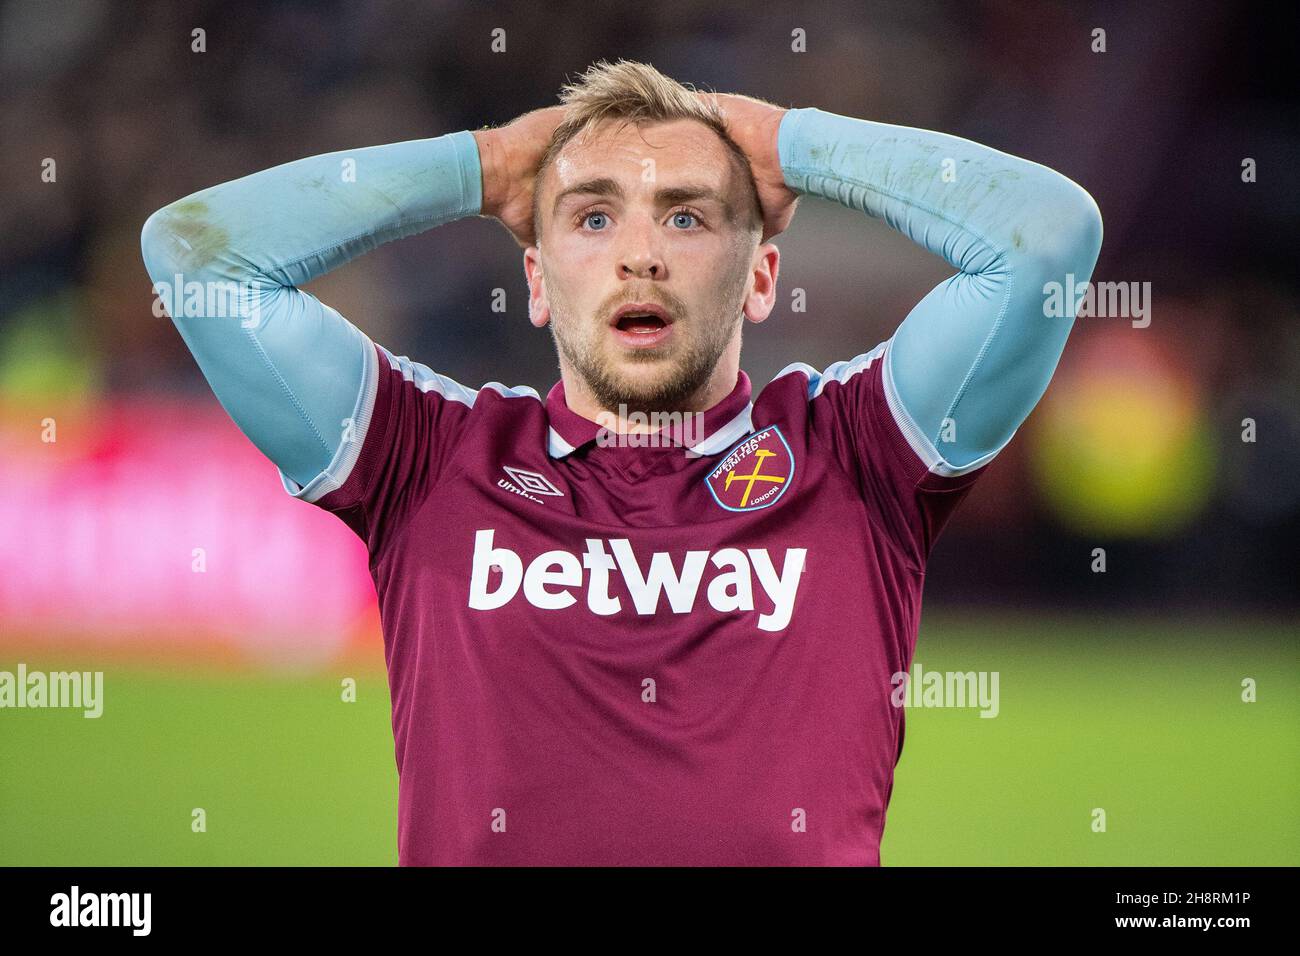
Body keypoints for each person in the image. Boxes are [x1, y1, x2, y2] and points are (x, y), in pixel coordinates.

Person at [140, 58, 1102, 865]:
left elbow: (1048, 238)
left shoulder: (856, 453)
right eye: (593, 218)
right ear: (537, 279)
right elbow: (193, 258)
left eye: (686, 216)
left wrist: (790, 144)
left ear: (761, 275)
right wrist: (481, 165)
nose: (640, 253)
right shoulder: (429, 455)